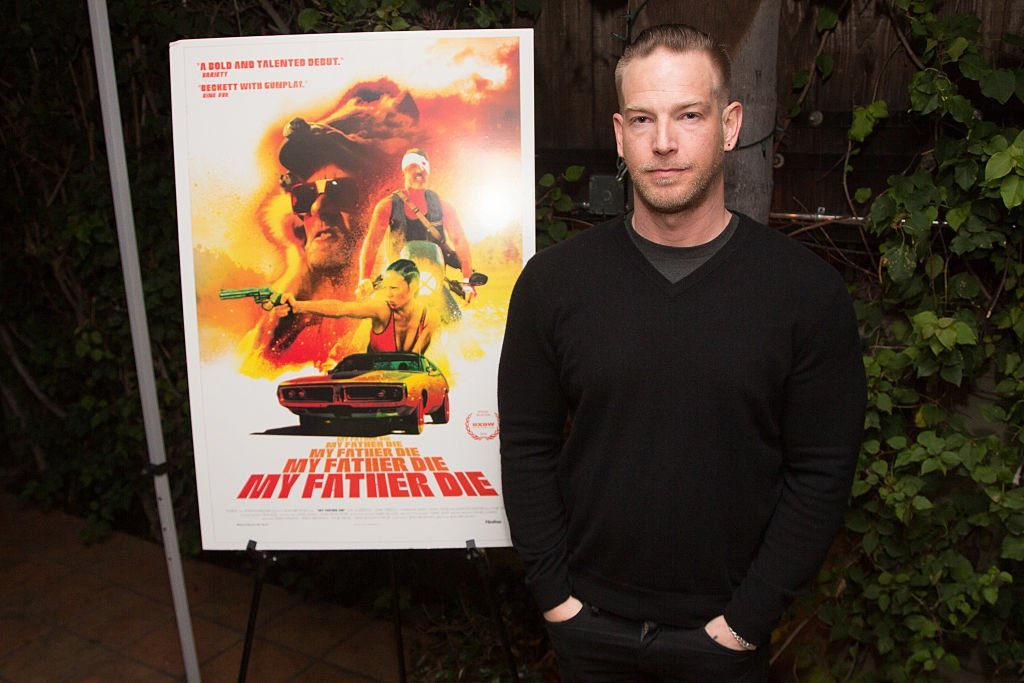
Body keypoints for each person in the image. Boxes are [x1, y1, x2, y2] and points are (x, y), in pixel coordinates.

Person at [497, 24, 866, 682]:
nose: (663, 141)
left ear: (728, 124)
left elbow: (822, 471)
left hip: (723, 637)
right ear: (618, 133)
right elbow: (525, 445)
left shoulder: (805, 294)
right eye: (642, 118)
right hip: (588, 629)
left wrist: (747, 620)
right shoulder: (553, 284)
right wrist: (556, 598)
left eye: (688, 115)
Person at [238, 80, 422, 372]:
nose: (318, 208)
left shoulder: (415, 307)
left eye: (341, 191)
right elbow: (247, 378)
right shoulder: (280, 323)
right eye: (306, 195)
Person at [357, 148, 476, 303]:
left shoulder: (443, 206)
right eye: (413, 167)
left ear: (428, 172)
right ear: (404, 171)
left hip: (432, 282)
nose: (419, 171)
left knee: (455, 320)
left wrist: (467, 280)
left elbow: (459, 240)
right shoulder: (387, 206)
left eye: (423, 168)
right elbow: (372, 243)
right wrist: (364, 278)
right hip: (397, 283)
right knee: (382, 319)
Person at [281, 259, 438, 355]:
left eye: (394, 288)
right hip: (371, 383)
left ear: (414, 286)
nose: (388, 294)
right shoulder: (382, 310)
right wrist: (298, 306)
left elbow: (415, 361)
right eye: (387, 288)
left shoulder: (430, 317)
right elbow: (341, 309)